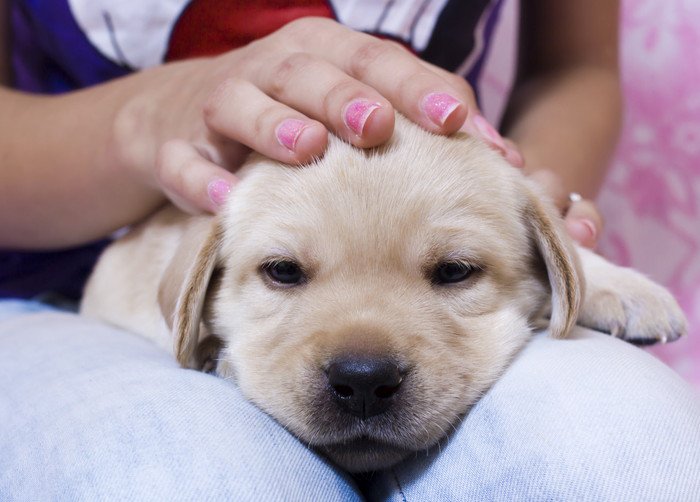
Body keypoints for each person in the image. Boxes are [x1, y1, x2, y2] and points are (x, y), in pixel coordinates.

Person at [1, 1, 698, 500]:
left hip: (458, 197)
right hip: (48, 287)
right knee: (196, 479)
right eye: (284, 270)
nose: (363, 365)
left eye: (452, 269)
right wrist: (141, 118)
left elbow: (573, 68)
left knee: (627, 450)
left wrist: (519, 202)